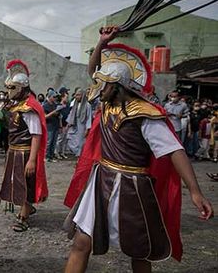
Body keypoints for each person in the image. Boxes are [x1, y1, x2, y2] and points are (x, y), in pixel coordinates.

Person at [63, 26, 213, 273]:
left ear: (118, 86)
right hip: (101, 180)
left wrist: (195, 192)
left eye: (105, 85)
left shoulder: (145, 115)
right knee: (81, 241)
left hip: (133, 186)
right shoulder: (107, 104)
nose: (99, 89)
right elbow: (93, 71)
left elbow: (175, 151)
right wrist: (101, 42)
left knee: (139, 251)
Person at [0, 59, 48, 232]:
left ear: (22, 88)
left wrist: (32, 160)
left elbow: (36, 135)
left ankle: (23, 216)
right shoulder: (17, 106)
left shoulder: (29, 108)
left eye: (12, 88)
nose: (8, 91)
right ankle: (27, 208)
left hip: (25, 153)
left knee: (25, 183)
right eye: (8, 87)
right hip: (14, 151)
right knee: (16, 182)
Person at [66, 89, 92, 157]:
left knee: (81, 142)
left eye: (78, 95)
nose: (76, 96)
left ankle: (80, 157)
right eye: (76, 95)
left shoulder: (87, 105)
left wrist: (87, 128)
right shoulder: (75, 104)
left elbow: (89, 117)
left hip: (82, 125)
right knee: (70, 138)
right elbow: (71, 114)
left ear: (82, 95)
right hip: (74, 124)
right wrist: (69, 123)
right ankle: (78, 154)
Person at [42, 89, 61, 162]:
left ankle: (51, 156)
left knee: (54, 142)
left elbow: (58, 115)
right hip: (49, 126)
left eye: (55, 97)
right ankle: (46, 156)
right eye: (53, 97)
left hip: (55, 125)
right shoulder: (45, 106)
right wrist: (54, 112)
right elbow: (44, 117)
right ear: (49, 97)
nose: (55, 98)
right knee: (49, 142)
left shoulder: (55, 105)